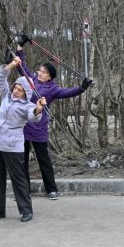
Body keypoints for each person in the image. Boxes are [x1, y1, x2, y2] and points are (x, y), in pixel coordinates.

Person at [15, 36, 93, 200]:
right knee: (22, 161)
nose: (39, 73)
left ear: (49, 76)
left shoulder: (53, 89)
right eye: (40, 70)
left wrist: (82, 87)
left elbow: (69, 92)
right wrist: (20, 46)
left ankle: (51, 189)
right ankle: (24, 191)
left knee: (44, 160)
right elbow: (22, 67)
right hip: (23, 126)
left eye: (43, 72)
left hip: (38, 129)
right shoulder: (32, 79)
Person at [0, 56, 47, 222]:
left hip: (12, 147)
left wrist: (38, 109)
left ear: (26, 93)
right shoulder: (6, 96)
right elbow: (0, 77)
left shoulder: (28, 106)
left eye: (19, 90)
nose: (15, 91)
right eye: (15, 88)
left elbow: (33, 117)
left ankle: (26, 210)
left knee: (18, 180)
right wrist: (11, 65)